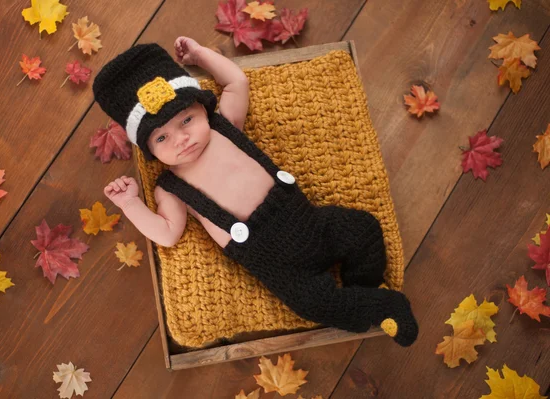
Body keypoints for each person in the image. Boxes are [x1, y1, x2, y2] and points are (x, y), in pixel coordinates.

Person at [92, 37, 419, 346]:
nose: (181, 138)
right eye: (162, 139)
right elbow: (166, 234)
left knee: (362, 229)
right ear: (149, 149)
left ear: (202, 109)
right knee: (314, 304)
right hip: (278, 266)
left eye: (186, 120)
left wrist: (200, 56)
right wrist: (130, 203)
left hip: (310, 224)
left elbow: (237, 82)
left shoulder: (225, 127)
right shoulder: (172, 188)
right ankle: (382, 305)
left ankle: (367, 291)